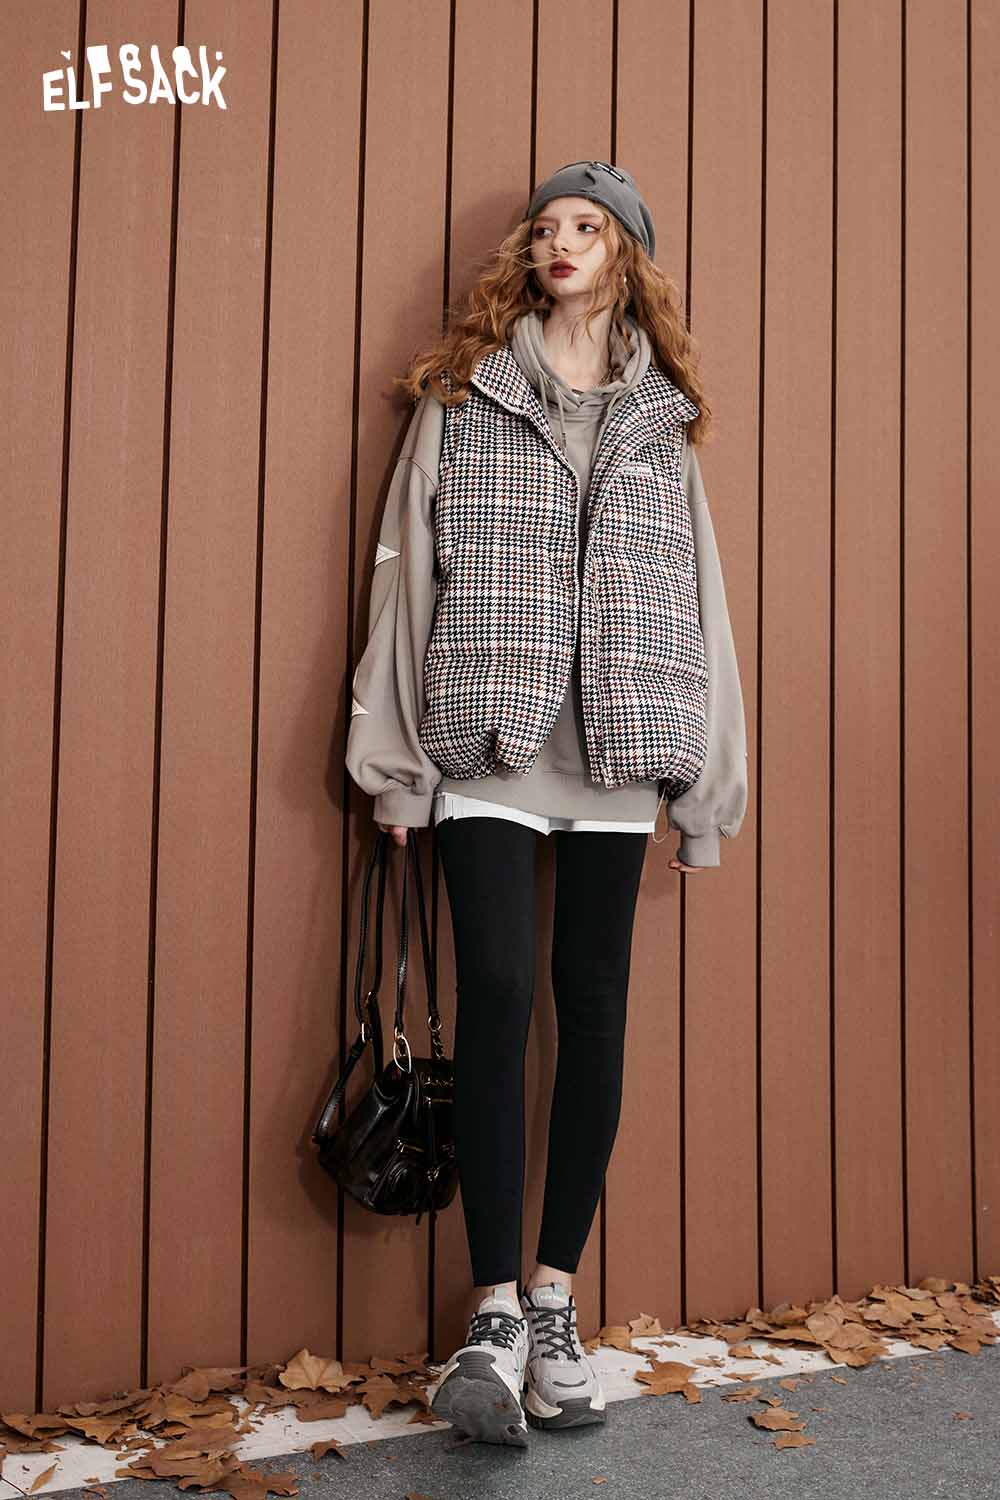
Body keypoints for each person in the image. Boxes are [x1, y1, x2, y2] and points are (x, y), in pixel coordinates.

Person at [345, 160, 748, 1446]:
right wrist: (395, 764)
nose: (561, 243)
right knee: (500, 993)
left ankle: (559, 1299)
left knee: (593, 1009)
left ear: (625, 255)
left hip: (620, 751)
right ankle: (493, 1314)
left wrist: (707, 795)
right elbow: (405, 576)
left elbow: (701, 604)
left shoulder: (661, 417)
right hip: (485, 739)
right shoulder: (465, 396)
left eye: (588, 227)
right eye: (547, 228)